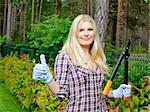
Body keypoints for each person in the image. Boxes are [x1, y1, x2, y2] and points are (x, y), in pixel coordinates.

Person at [33, 14, 131, 112]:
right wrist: (49, 80)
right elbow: (60, 93)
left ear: (94, 33)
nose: (86, 34)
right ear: (74, 34)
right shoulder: (65, 57)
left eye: (90, 29)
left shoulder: (98, 58)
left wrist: (116, 93)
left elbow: (100, 91)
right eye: (81, 30)